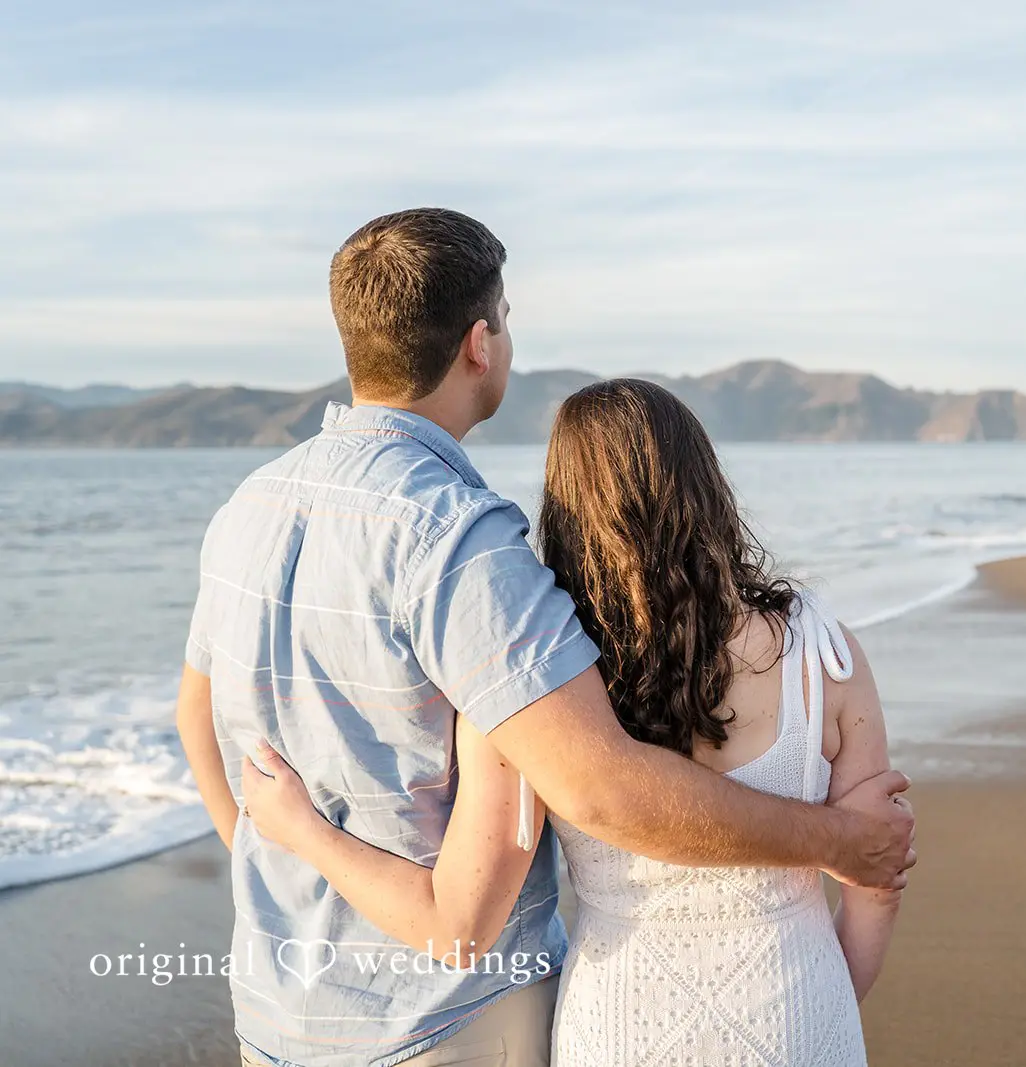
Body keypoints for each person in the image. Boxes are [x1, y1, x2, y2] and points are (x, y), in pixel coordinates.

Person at [174, 208, 914, 1067]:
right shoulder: (459, 538)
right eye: (510, 318)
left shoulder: (248, 506)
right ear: (481, 342)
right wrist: (835, 841)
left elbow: (199, 715)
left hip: (275, 1014)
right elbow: (600, 790)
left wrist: (284, 860)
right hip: (443, 1024)